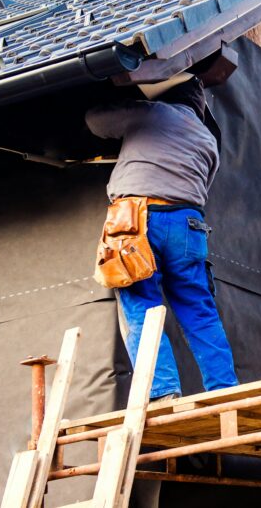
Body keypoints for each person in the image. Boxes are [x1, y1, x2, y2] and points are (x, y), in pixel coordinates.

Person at [86, 74, 238, 401]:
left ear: (166, 96)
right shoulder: (208, 139)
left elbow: (96, 121)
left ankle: (162, 390)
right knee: (199, 311)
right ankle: (225, 391)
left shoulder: (154, 112)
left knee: (140, 300)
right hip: (189, 224)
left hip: (139, 220)